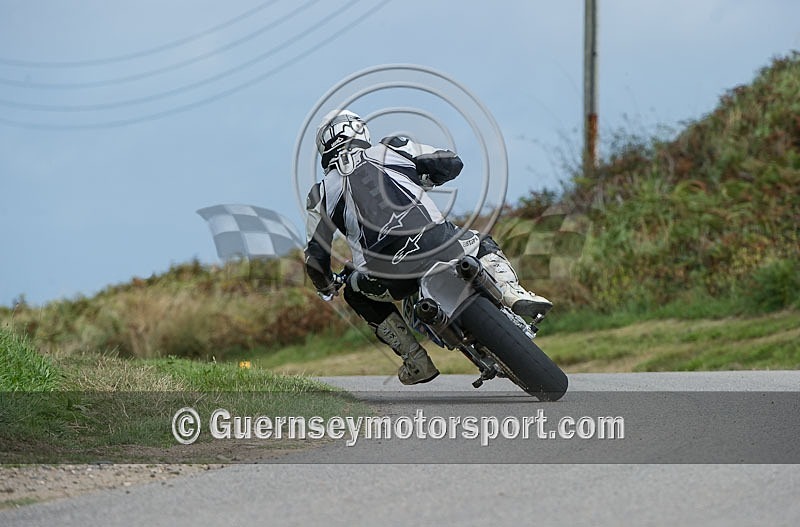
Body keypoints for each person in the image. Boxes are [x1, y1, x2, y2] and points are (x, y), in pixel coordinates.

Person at [304, 109, 553, 385]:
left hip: (387, 276)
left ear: (324, 149)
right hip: (437, 242)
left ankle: (415, 360)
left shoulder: (319, 194)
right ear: (359, 130)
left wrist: (327, 285)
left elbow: (315, 259)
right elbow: (450, 161)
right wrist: (426, 178)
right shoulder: (392, 148)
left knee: (354, 292)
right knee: (480, 241)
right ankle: (511, 292)